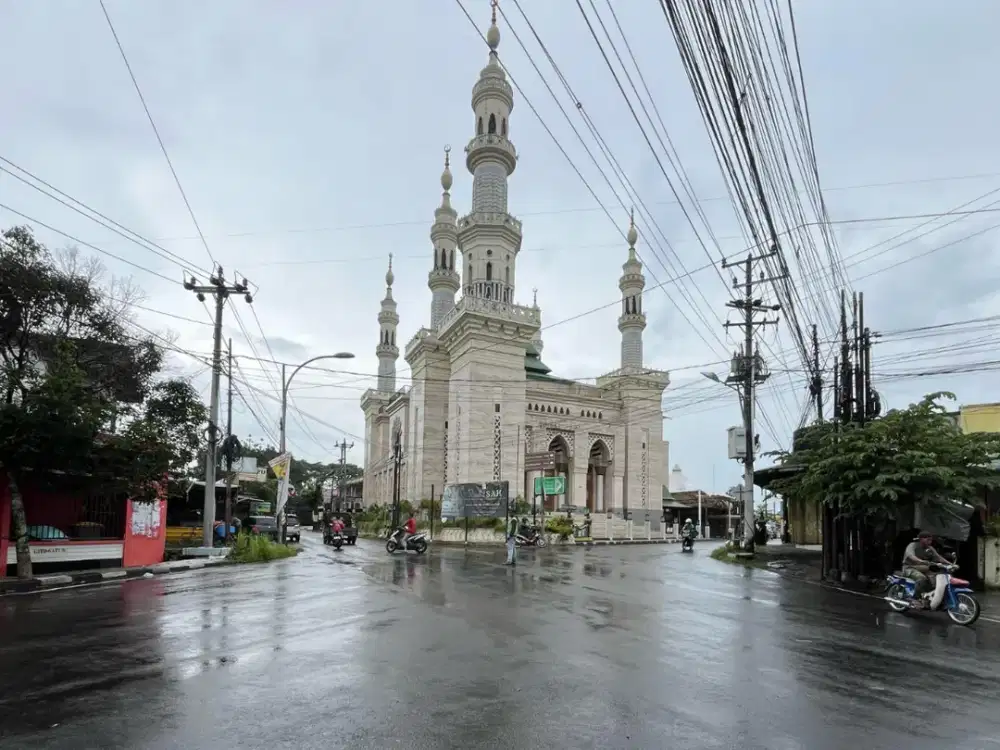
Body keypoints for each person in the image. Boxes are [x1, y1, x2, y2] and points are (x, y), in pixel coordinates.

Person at [902, 531, 951, 609]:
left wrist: (951, 564)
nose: (930, 542)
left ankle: (928, 598)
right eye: (928, 540)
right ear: (921, 539)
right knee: (922, 578)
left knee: (937, 578)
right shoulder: (912, 545)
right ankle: (914, 598)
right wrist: (923, 561)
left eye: (931, 540)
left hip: (924, 568)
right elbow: (912, 557)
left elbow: (939, 557)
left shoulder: (930, 548)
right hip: (909, 568)